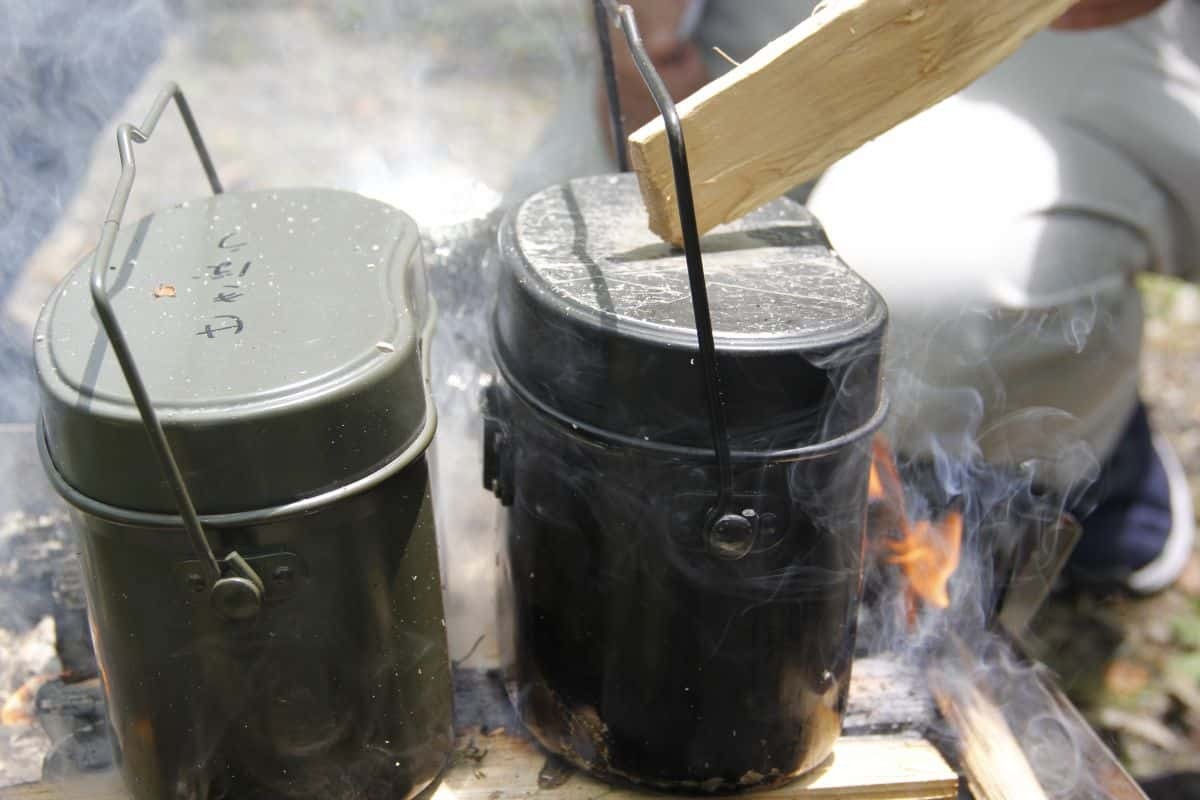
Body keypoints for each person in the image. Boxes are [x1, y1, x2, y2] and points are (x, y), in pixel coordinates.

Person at [597, 0, 1198, 593]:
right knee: (566, 256)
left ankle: (1082, 477)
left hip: (1102, 33)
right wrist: (639, 43)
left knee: (908, 281)